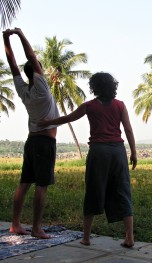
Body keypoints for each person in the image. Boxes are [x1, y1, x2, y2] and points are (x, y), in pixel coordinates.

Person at [38, 72, 137, 248]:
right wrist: (134, 153)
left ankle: (86, 238)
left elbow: (67, 118)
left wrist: (47, 122)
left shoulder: (89, 106)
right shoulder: (120, 105)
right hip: (118, 151)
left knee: (93, 190)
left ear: (94, 87)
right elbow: (128, 130)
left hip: (98, 152)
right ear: (112, 86)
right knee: (123, 191)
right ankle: (129, 237)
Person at [3, 28, 60, 239]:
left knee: (24, 183)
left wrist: (5, 39)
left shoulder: (23, 90)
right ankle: (36, 228)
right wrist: (19, 34)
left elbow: (13, 66)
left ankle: (15, 224)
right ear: (38, 72)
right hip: (44, 143)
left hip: (31, 141)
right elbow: (31, 57)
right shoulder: (42, 88)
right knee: (41, 185)